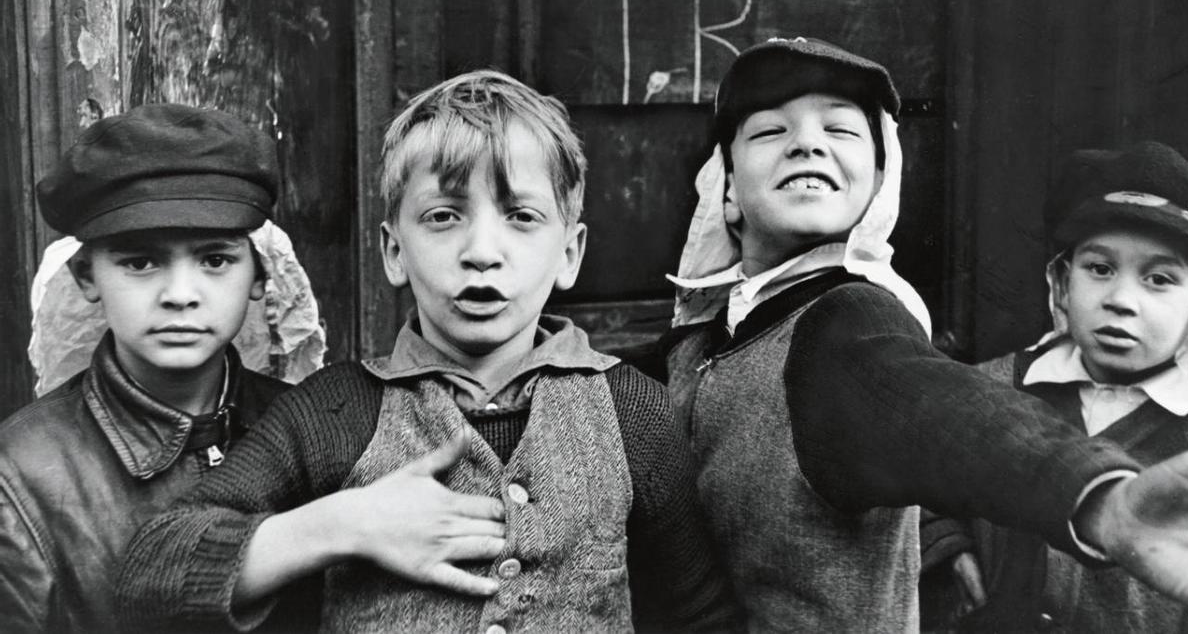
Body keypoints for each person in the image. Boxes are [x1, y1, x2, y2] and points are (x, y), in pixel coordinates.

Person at [117, 69, 734, 632]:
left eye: (521, 216)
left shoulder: (633, 414)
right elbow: (152, 572)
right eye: (443, 216)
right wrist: (343, 525)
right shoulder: (335, 413)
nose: (482, 251)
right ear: (393, 252)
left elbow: (697, 616)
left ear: (569, 254)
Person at [646, 36, 1188, 632]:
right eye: (769, 132)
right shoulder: (699, 341)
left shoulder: (847, 322)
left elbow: (954, 414)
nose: (806, 142)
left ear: (880, 180)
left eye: (841, 130)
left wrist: (1099, 498)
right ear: (725, 189)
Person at [0, 103, 309, 633]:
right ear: (86, 275)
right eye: (140, 262)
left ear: (259, 274)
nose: (181, 296)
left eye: (215, 259)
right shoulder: (20, 473)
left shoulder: (313, 427)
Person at [921, 141, 1188, 632]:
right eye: (1100, 268)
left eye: (1158, 279)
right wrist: (946, 547)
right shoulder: (992, 387)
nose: (1120, 300)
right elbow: (920, 476)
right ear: (1062, 282)